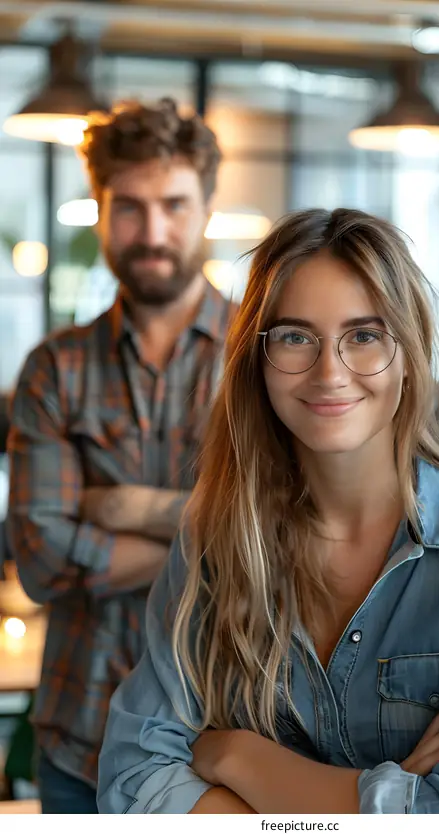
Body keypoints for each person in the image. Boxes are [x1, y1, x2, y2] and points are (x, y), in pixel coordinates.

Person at [97, 208, 439, 814]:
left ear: (409, 350)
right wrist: (373, 799)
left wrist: (238, 757)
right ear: (257, 360)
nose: (329, 373)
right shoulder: (218, 536)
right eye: (295, 337)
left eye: (364, 336)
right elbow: (132, 782)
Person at [6, 98, 229, 813]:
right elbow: (40, 558)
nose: (153, 231)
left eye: (174, 204)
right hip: (82, 740)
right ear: (99, 209)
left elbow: (297, 533)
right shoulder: (55, 368)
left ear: (207, 207)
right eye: (128, 207)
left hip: (226, 741)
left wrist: (129, 509)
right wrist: (217, 533)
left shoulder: (267, 356)